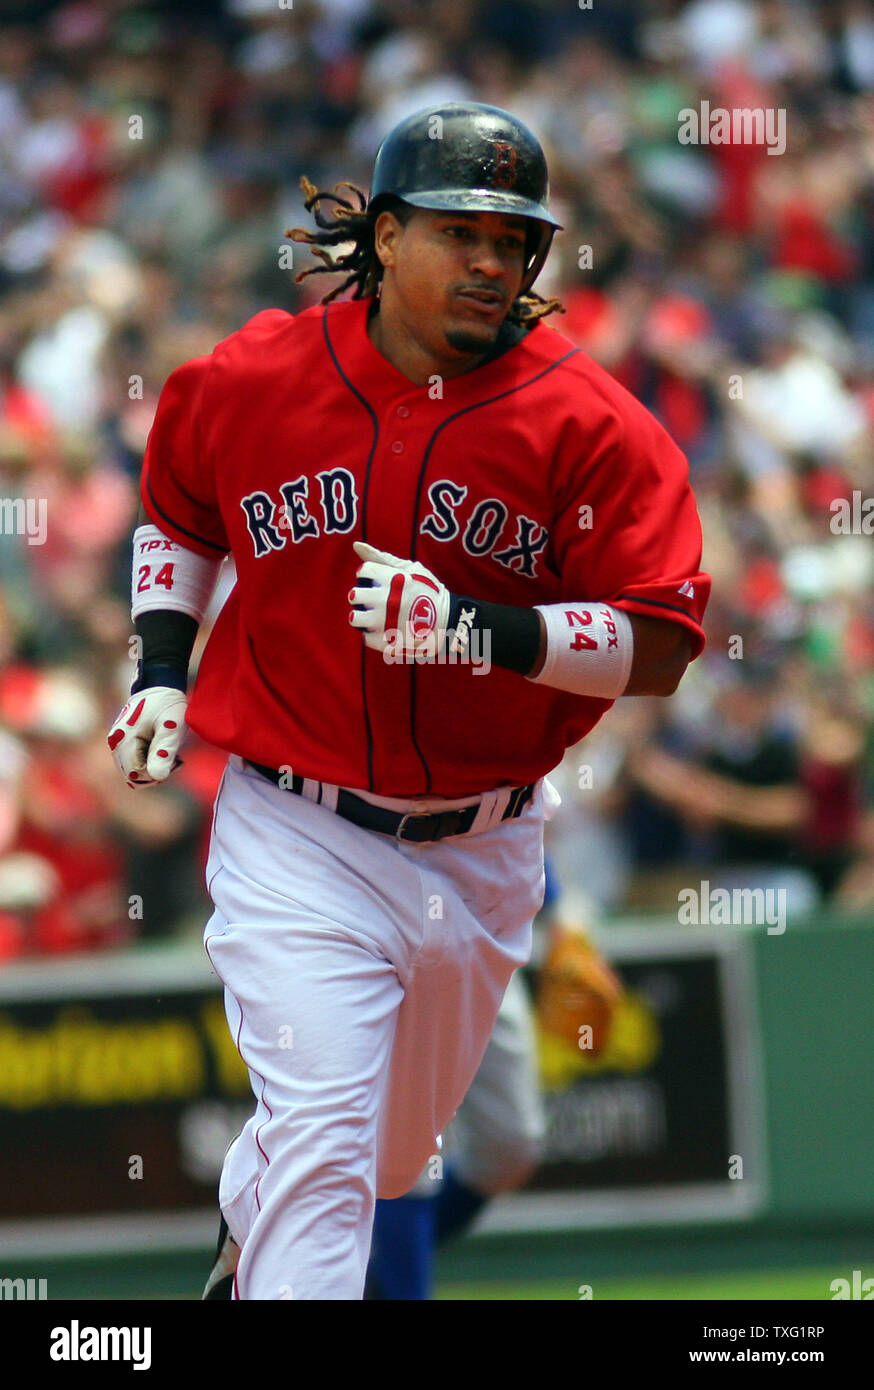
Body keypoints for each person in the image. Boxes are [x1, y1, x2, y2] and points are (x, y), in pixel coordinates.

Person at [107, 102, 710, 1301]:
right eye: (461, 232)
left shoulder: (588, 421)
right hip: (296, 829)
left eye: (515, 241)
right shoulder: (256, 376)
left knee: (384, 1158)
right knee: (329, 1149)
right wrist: (161, 670)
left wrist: (479, 631)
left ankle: (248, 1246)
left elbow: (659, 641)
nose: (494, 262)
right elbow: (180, 509)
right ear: (384, 235)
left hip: (482, 851)